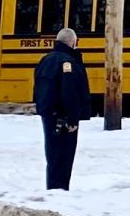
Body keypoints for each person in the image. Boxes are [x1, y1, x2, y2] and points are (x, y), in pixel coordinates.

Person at [32, 27, 92, 191]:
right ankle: (59, 190)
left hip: (48, 114)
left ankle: (52, 187)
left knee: (52, 155)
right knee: (64, 156)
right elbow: (69, 93)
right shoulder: (68, 63)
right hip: (63, 117)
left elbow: (38, 88)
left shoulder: (45, 60)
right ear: (73, 42)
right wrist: (73, 118)